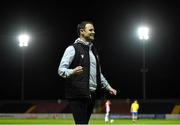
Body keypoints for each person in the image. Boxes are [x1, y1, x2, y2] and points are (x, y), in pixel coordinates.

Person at [58, 21, 117, 125]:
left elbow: (98, 73)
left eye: (94, 30)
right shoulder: (72, 48)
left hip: (91, 95)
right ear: (82, 31)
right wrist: (73, 71)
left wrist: (108, 87)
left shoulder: (94, 51)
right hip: (78, 94)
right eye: (90, 30)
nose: (93, 32)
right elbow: (61, 70)